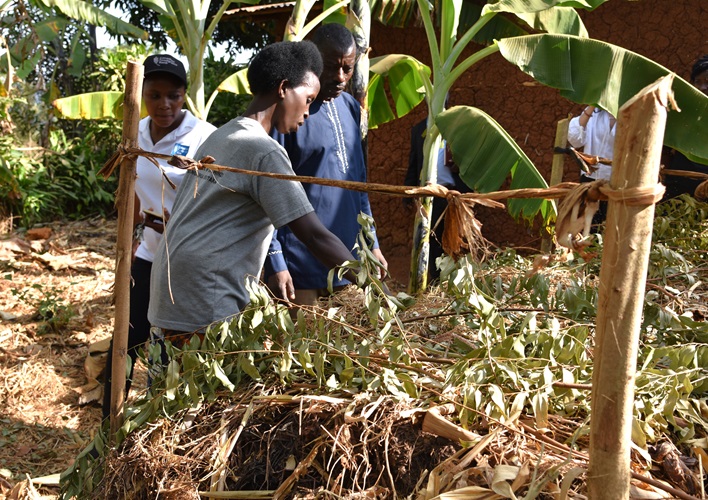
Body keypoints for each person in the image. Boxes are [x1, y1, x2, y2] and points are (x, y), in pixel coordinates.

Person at [148, 41, 358, 335]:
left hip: (171, 290)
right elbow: (312, 234)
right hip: (205, 295)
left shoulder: (223, 134)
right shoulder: (263, 151)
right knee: (203, 376)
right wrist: (369, 282)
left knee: (169, 378)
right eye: (308, 99)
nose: (309, 112)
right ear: (284, 88)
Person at [102, 54, 216, 418]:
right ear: (143, 96)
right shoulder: (135, 133)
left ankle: (158, 427)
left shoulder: (203, 137)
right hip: (147, 254)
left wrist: (182, 220)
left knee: (166, 349)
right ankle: (110, 427)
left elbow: (214, 197)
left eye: (174, 95)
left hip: (182, 260)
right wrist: (130, 236)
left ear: (185, 96)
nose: (165, 105)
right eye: (155, 95)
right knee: (125, 340)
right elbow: (133, 188)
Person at [264, 24, 387, 306]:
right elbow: (268, 189)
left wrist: (372, 243)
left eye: (348, 68)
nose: (341, 77)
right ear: (312, 60)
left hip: (349, 267)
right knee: (303, 348)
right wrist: (276, 260)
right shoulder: (288, 110)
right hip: (300, 269)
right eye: (332, 67)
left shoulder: (352, 108)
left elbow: (358, 184)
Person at [404, 117, 469, 281]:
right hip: (429, 194)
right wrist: (408, 193)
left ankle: (454, 279)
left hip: (453, 193)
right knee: (431, 237)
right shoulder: (419, 130)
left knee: (456, 238)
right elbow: (414, 163)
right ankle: (434, 278)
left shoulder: (457, 127)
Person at [662, 55, 708, 200]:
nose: (702, 87)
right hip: (678, 185)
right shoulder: (682, 111)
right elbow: (665, 147)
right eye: (697, 81)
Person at [567, 105, 616, 225]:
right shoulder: (594, 115)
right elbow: (575, 140)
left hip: (615, 181)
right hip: (589, 178)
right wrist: (591, 107)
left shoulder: (630, 115)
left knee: (609, 226)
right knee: (584, 225)